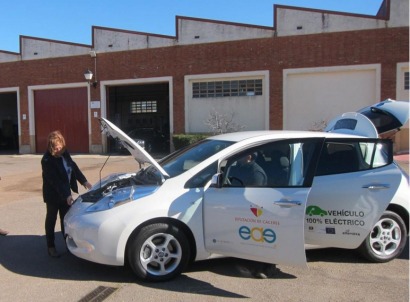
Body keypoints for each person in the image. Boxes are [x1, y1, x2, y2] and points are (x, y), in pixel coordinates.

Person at [41, 130, 92, 258]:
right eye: (56, 147)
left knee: (66, 220)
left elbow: (73, 167)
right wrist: (66, 195)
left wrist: (85, 182)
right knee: (51, 220)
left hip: (65, 193)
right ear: (51, 146)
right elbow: (55, 182)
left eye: (60, 146)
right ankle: (50, 246)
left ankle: (68, 245)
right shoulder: (47, 160)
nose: (59, 149)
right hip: (53, 195)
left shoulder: (64, 153)